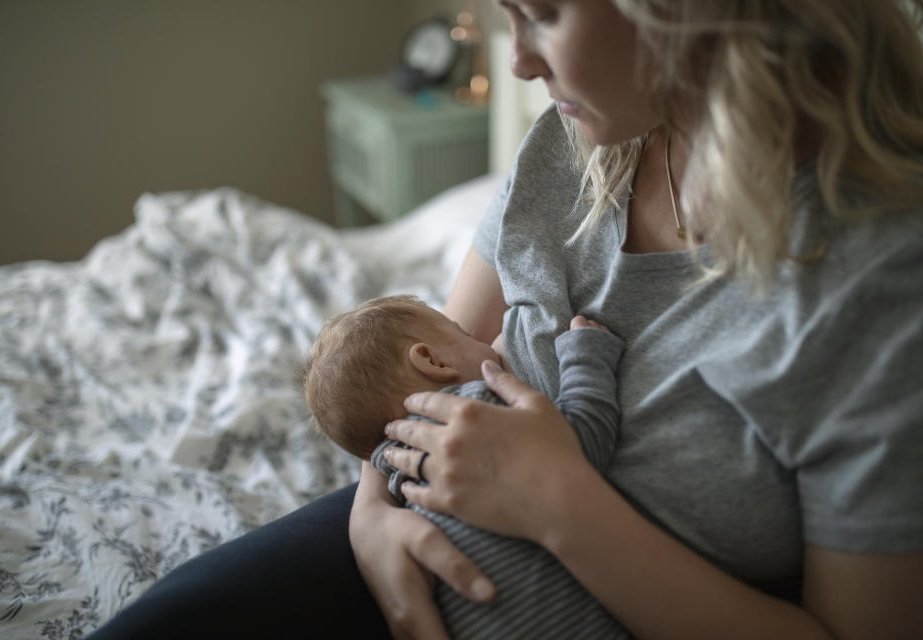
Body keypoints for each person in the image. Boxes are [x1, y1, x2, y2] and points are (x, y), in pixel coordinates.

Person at [89, 1, 923, 638]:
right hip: (433, 537)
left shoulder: (880, 290)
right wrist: (371, 518)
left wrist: (561, 506)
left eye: (545, 13)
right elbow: (427, 385)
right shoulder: (574, 143)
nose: (517, 59)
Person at [303, 294, 627, 639]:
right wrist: (588, 357)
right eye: (466, 336)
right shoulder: (473, 413)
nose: (486, 341)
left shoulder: (400, 482)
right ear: (432, 361)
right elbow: (582, 450)